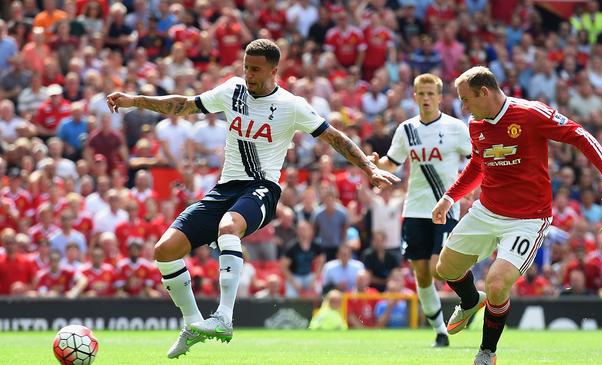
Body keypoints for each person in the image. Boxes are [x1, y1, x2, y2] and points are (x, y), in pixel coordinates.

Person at [106, 39, 399, 359]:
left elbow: (334, 137)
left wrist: (369, 167)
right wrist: (136, 100)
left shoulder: (292, 105)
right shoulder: (232, 90)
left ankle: (224, 317)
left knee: (228, 227)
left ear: (274, 71)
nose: (249, 74)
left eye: (256, 69)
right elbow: (184, 104)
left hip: (262, 188)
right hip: (224, 188)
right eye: (246, 67)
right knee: (165, 250)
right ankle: (193, 324)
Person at [431, 66, 602, 365]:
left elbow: (578, 134)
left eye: (466, 99)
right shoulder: (475, 124)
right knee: (444, 269)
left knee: (497, 284)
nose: (464, 107)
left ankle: (487, 352)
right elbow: (478, 166)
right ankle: (471, 300)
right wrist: (449, 198)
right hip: (486, 210)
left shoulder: (531, 113)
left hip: (528, 218)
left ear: (484, 92)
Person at [369, 73, 471, 347]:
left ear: (440, 97)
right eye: (421, 94)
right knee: (422, 274)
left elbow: (477, 161)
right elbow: (393, 162)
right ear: (414, 96)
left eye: (430, 94)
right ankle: (440, 331)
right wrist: (376, 165)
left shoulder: (455, 128)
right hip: (414, 208)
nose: (426, 98)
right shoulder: (406, 130)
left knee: (440, 269)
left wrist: (471, 191)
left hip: (445, 206)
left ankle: (471, 297)